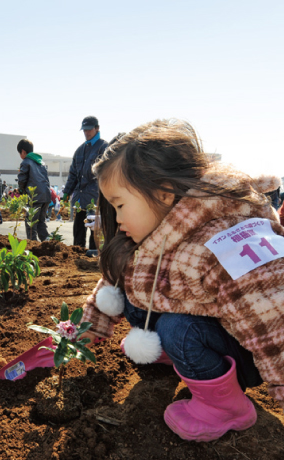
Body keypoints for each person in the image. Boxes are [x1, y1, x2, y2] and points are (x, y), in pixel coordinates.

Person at [80, 118, 284, 442]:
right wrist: (85, 329)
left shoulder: (221, 242)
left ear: (163, 194)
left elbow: (272, 316)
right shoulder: (162, 227)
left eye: (119, 205)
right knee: (136, 297)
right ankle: (175, 355)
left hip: (249, 350)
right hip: (218, 327)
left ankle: (228, 407)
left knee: (179, 330)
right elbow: (115, 283)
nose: (116, 219)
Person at [63, 116, 109, 249]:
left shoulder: (104, 147)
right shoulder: (79, 150)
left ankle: (94, 255)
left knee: (94, 229)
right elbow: (73, 174)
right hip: (80, 197)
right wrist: (67, 192)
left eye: (89, 129)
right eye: (84, 130)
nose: (86, 132)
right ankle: (77, 252)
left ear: (97, 128)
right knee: (78, 228)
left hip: (95, 198)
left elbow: (105, 175)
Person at [17, 139, 51, 241]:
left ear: (23, 151)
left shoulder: (26, 162)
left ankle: (33, 245)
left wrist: (21, 190)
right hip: (46, 195)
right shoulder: (41, 162)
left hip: (35, 196)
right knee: (41, 221)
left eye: (20, 153)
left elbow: (22, 179)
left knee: (30, 222)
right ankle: (47, 243)